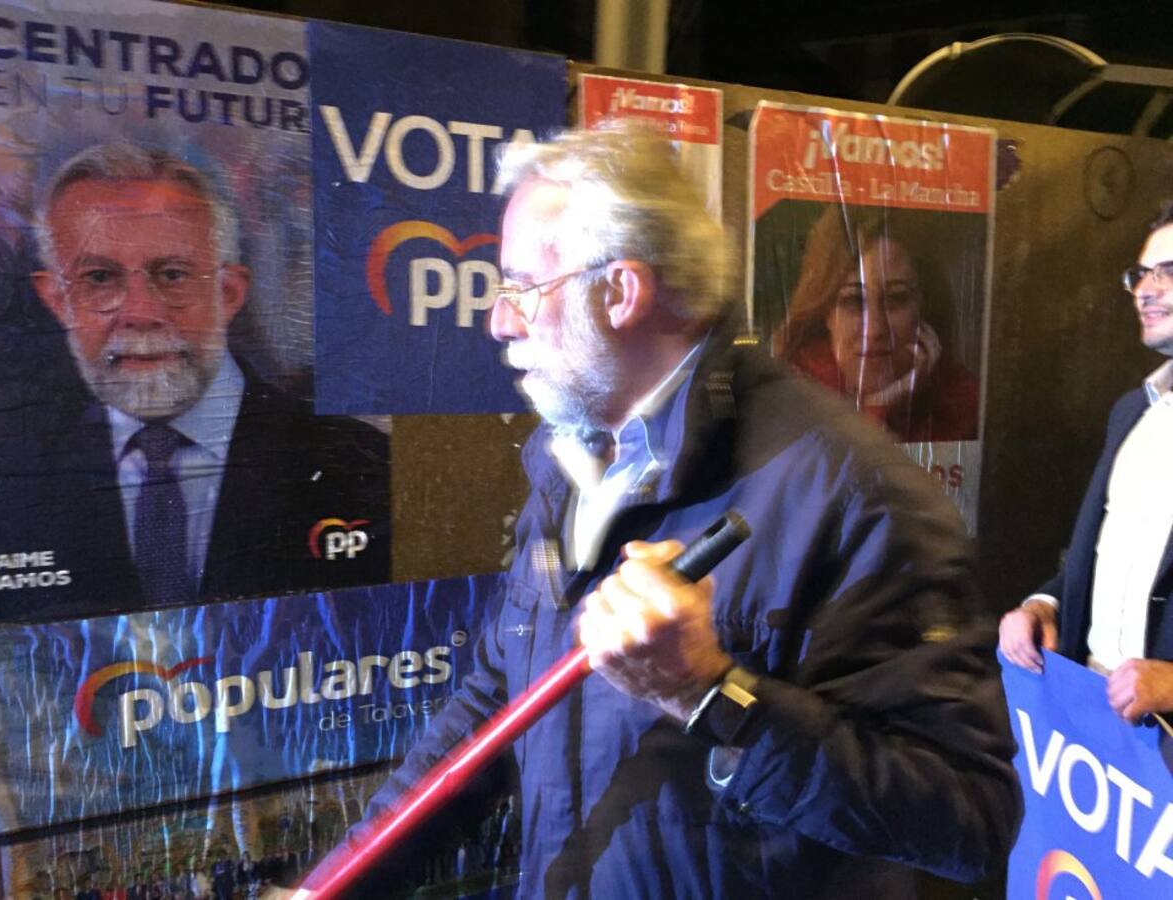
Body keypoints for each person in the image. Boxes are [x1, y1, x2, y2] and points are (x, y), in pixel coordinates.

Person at [321, 124, 1019, 897]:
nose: (500, 320)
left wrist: (710, 693)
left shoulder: (855, 493)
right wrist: (337, 886)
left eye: (522, 287)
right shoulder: (571, 456)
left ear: (620, 292)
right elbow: (496, 697)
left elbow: (969, 820)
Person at [0, 142, 389, 622]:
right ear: (56, 300)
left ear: (229, 292)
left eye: (173, 274)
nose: (141, 312)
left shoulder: (360, 465)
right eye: (99, 278)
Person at [999, 206, 1173, 722]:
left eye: (1169, 271)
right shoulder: (1133, 412)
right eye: (1141, 274)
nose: (1145, 290)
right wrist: (1044, 605)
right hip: (1093, 721)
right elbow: (1107, 560)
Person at [778, 205, 980, 442]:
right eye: (853, 301)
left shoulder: (961, 403)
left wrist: (889, 406)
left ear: (924, 306)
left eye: (896, 299)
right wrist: (878, 407)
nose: (874, 330)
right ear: (826, 313)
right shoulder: (789, 393)